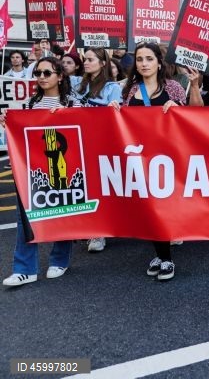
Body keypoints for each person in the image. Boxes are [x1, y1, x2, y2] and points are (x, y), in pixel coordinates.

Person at [109, 43, 202, 281]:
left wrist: (187, 95)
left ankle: (165, 258)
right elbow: (125, 123)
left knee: (160, 207)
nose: (144, 63)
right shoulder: (130, 90)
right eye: (139, 59)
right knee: (149, 207)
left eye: (149, 58)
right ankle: (162, 255)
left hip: (168, 157)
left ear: (159, 63)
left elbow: (196, 112)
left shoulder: (171, 87)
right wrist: (115, 110)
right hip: (141, 158)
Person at [2, 57, 80, 287]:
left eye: (47, 73)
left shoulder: (73, 103)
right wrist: (8, 122)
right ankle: (25, 269)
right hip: (33, 168)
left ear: (60, 75)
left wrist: (68, 115)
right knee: (25, 217)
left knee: (64, 211)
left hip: (63, 164)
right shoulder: (28, 104)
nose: (42, 77)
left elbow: (86, 130)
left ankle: (60, 259)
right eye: (38, 73)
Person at [70, 48, 123, 252]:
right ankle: (90, 226)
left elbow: (116, 115)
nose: (86, 62)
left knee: (99, 186)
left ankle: (99, 232)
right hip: (78, 140)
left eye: (91, 59)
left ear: (103, 63)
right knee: (84, 185)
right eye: (85, 59)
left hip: (101, 142)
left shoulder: (112, 88)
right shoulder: (76, 83)